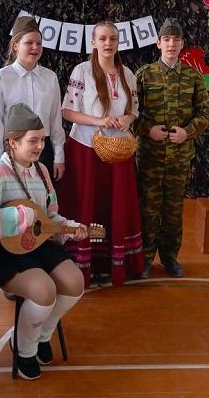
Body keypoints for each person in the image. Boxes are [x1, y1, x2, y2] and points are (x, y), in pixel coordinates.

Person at [0, 103, 86, 381]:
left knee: (75, 282)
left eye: (42, 140)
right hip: (2, 251)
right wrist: (18, 217)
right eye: (33, 141)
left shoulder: (42, 171)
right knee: (44, 290)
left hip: (39, 243)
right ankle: (24, 349)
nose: (40, 147)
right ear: (13, 142)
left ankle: (40, 334)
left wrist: (71, 227)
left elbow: (49, 217)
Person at [58, 22, 144, 287]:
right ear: (93, 43)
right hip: (86, 149)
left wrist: (127, 119)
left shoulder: (127, 73)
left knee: (113, 204)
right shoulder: (82, 71)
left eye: (113, 39)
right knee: (87, 204)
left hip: (118, 151)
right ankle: (85, 263)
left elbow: (134, 109)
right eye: (103, 39)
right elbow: (67, 111)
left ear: (118, 42)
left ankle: (110, 263)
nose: (108, 43)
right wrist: (99, 121)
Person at [135, 18, 209, 278]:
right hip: (150, 157)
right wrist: (147, 129)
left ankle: (169, 258)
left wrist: (188, 132)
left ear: (182, 44)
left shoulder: (193, 77)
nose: (171, 44)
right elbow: (131, 112)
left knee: (173, 210)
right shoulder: (144, 75)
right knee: (147, 209)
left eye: (176, 40)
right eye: (166, 39)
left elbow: (205, 113)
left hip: (179, 158)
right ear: (158, 43)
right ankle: (144, 260)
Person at [0, 16, 65, 179]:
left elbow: (55, 120)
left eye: (39, 43)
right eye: (29, 43)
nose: (35, 47)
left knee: (43, 194)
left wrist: (59, 156)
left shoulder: (50, 77)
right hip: (12, 151)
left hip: (43, 151)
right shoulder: (0, 78)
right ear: (16, 46)